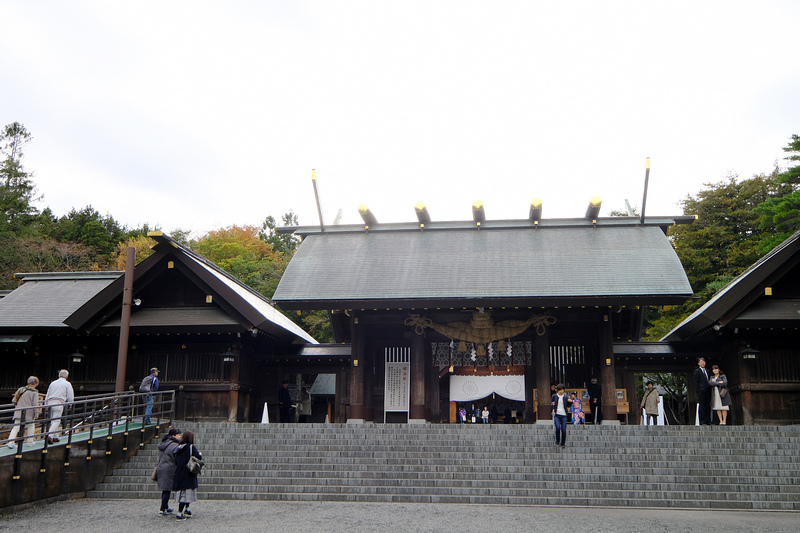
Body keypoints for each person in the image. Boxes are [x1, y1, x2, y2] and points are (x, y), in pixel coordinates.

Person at [172, 430, 202, 520]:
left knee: (183, 492)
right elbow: (198, 457)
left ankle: (187, 509)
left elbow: (175, 459)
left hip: (179, 472)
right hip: (188, 472)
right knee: (185, 493)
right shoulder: (191, 447)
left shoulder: (179, 447)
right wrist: (200, 454)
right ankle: (179, 513)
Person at [8, 376, 41, 448]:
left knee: (16, 427)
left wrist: (18, 405)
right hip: (29, 412)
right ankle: (30, 441)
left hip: (18, 411)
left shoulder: (21, 389)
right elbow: (35, 404)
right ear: (35, 383)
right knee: (31, 425)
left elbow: (14, 400)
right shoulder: (34, 392)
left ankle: (10, 442)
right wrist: (36, 413)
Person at [155, 428, 182, 515]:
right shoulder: (174, 445)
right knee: (167, 489)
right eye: (178, 435)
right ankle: (162, 510)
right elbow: (176, 458)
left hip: (161, 467)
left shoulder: (163, 443)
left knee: (165, 489)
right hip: (169, 468)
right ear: (173, 436)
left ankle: (165, 507)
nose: (180, 436)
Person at [44, 369, 74, 442]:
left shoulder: (53, 383)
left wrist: (46, 404)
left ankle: (55, 436)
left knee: (53, 420)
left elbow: (48, 394)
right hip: (59, 402)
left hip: (50, 401)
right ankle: (50, 435)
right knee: (56, 420)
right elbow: (70, 395)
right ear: (67, 376)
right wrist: (70, 403)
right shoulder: (67, 384)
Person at [550, 384, 572, 448]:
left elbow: (568, 405)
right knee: (557, 427)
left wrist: (570, 402)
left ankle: (563, 443)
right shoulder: (554, 396)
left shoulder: (565, 397)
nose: (561, 391)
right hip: (557, 414)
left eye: (562, 390)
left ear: (564, 390)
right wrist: (552, 404)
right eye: (559, 390)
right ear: (557, 390)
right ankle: (557, 440)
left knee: (563, 429)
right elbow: (550, 404)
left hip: (564, 414)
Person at [693, 357, 712, 425]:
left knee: (708, 405)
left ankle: (708, 420)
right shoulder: (696, 371)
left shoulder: (708, 371)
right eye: (701, 362)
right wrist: (698, 390)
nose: (702, 363)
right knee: (702, 406)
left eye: (703, 362)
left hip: (708, 390)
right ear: (698, 363)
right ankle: (702, 421)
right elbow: (696, 382)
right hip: (701, 391)